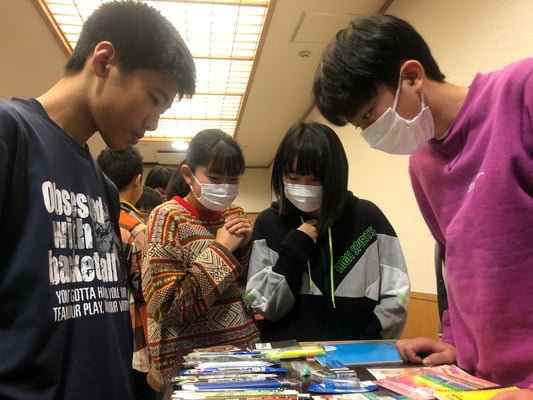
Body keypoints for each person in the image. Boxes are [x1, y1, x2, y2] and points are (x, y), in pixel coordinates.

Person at [313, 13, 533, 394]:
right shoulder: (422, 165)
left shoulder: (521, 91)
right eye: (360, 125)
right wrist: (455, 343)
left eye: (369, 115)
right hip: (480, 380)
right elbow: (453, 260)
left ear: (412, 77)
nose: (370, 133)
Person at [0, 1, 195, 398]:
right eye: (154, 98)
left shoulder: (102, 185)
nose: (153, 122)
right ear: (104, 61)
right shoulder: (11, 135)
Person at [245, 122, 410, 343]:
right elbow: (265, 304)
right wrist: (293, 252)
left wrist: (368, 342)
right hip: (287, 356)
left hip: (360, 354)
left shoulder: (368, 218)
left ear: (335, 176)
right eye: (293, 178)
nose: (304, 186)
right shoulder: (268, 222)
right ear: (281, 175)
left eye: (316, 179)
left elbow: (396, 294)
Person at [142, 129, 259, 391]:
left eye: (233, 179)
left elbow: (245, 292)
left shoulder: (235, 215)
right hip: (188, 367)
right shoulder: (167, 218)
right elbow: (168, 309)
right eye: (214, 178)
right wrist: (222, 250)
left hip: (242, 356)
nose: (224, 187)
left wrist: (245, 250)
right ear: (188, 174)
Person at [97, 146, 156, 400]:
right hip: (132, 341)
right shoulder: (136, 229)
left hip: (94, 337)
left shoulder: (88, 219)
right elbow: (147, 290)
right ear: (138, 179)